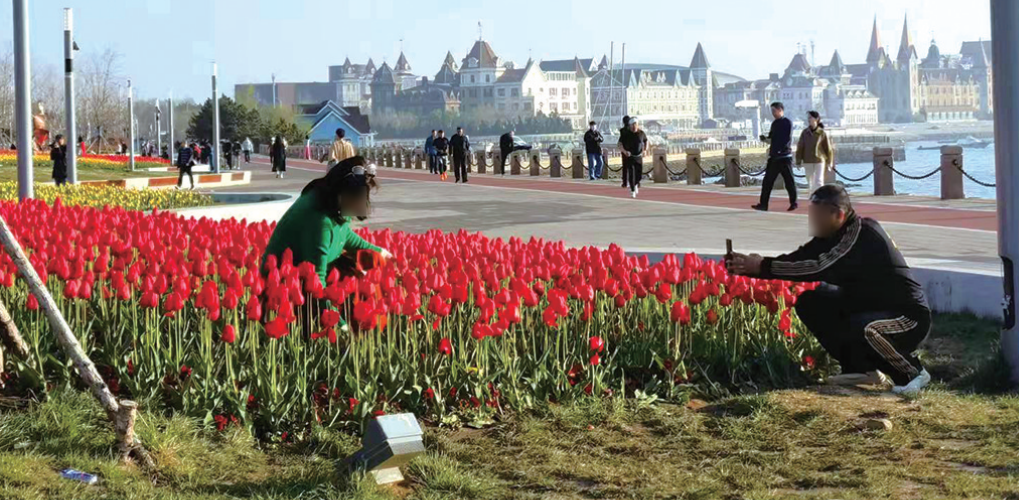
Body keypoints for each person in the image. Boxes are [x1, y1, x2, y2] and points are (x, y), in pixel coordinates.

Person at [727, 185, 932, 395]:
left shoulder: (860, 233)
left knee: (867, 329)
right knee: (811, 301)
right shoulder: (831, 235)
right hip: (869, 307)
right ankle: (861, 369)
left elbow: (818, 265)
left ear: (838, 214)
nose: (812, 221)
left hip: (908, 317)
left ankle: (912, 372)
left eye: (818, 216)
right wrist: (753, 268)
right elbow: (801, 257)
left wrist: (762, 266)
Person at [262, 156, 392, 300]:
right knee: (355, 286)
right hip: (285, 289)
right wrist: (337, 321)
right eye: (359, 197)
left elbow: (343, 233)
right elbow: (317, 282)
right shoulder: (319, 220)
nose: (362, 203)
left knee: (371, 263)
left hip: (308, 278)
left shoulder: (333, 201)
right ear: (343, 192)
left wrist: (380, 252)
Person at [754, 102, 798, 212]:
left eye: (774, 111)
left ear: (780, 110)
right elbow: (771, 139)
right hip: (774, 157)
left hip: (784, 156)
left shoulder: (787, 123)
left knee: (789, 181)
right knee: (767, 182)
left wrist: (779, 148)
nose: (773, 113)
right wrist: (765, 139)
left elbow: (786, 139)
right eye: (772, 111)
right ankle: (763, 204)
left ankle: (794, 202)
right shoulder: (774, 124)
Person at [796, 111, 835, 195]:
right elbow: (800, 147)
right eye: (808, 118)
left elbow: (828, 148)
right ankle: (812, 197)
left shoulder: (822, 133)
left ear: (816, 119)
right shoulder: (805, 133)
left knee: (819, 181)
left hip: (819, 160)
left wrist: (829, 162)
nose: (809, 119)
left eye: (810, 117)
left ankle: (820, 197)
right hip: (807, 160)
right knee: (810, 181)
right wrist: (798, 160)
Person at [619, 117, 648, 198]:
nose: (633, 127)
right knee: (631, 174)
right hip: (630, 156)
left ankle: (636, 184)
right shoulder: (626, 134)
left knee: (639, 174)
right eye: (632, 125)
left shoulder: (641, 133)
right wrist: (625, 152)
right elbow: (620, 144)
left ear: (637, 125)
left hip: (639, 156)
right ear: (630, 126)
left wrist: (645, 150)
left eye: (635, 125)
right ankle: (632, 190)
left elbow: (646, 141)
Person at [617, 115, 632, 189]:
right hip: (632, 150)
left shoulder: (622, 131)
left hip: (624, 150)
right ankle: (634, 182)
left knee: (625, 167)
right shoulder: (631, 130)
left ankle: (625, 182)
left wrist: (623, 150)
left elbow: (620, 142)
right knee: (632, 167)